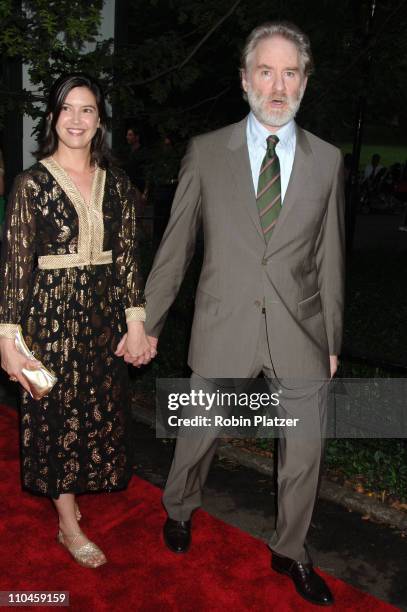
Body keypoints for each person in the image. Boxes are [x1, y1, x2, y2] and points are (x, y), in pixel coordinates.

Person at [131, 21, 345, 606]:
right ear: (245, 79)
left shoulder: (327, 161)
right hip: (224, 323)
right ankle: (179, 509)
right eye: (266, 71)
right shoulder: (206, 152)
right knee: (198, 434)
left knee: (305, 452)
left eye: (290, 73)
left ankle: (291, 549)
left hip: (301, 331)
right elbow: (176, 248)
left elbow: (330, 258)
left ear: (305, 81)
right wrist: (147, 323)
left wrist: (332, 338)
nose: (278, 86)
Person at [0, 73, 154, 568]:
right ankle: (67, 525)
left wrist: (135, 322)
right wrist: (8, 339)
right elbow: (15, 268)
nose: (76, 119)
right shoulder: (31, 184)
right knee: (53, 417)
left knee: (97, 413)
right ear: (52, 118)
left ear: (100, 122)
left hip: (102, 321)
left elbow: (128, 259)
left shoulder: (119, 185)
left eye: (87, 110)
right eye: (67, 109)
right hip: (48, 324)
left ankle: (72, 502)